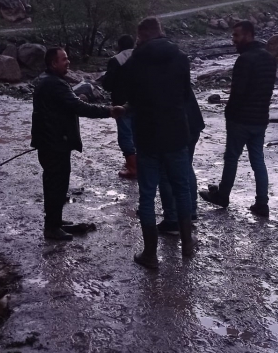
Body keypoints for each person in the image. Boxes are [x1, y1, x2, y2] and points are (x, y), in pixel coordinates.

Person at [123, 16, 196, 267]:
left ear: (141, 35)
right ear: (160, 31)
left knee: (147, 193)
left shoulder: (134, 62)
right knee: (181, 188)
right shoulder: (181, 57)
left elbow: (131, 99)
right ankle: (187, 244)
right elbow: (185, 95)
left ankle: (150, 254)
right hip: (176, 132)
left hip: (147, 135)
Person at [31, 47, 124, 241]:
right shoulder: (55, 83)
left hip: (50, 141)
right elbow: (78, 107)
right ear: (53, 63)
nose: (68, 62)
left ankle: (55, 221)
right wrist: (108, 111)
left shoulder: (45, 80)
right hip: (55, 143)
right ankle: (51, 227)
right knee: (56, 184)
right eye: (64, 59)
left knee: (55, 183)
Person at [199, 20, 277, 217]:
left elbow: (238, 93)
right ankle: (262, 203)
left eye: (236, 35)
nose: (233, 40)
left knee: (231, 158)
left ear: (248, 35)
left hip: (241, 119)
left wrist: (229, 112)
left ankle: (223, 196)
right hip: (261, 118)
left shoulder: (244, 60)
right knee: (258, 161)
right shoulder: (269, 58)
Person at [157, 88, 205, 234]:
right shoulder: (179, 73)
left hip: (174, 127)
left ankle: (172, 220)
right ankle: (190, 212)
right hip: (192, 121)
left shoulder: (155, 77)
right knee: (186, 166)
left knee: (166, 172)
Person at [102, 34, 137, 178]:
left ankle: (132, 167)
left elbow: (108, 84)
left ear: (119, 45)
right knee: (140, 133)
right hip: (142, 102)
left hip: (121, 103)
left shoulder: (116, 60)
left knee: (125, 135)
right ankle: (141, 162)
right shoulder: (141, 56)